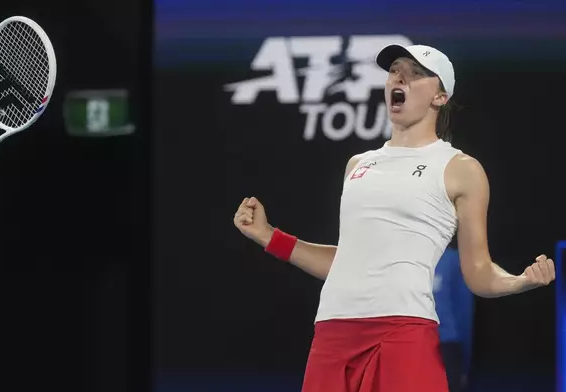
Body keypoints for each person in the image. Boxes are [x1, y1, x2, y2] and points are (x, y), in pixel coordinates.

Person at [232, 44, 556, 392]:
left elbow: (478, 273)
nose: (399, 77)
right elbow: (351, 262)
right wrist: (270, 236)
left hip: (403, 332)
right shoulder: (358, 164)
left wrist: (521, 281)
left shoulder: (460, 169)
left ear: (440, 97)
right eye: (395, 71)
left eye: (416, 73)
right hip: (332, 334)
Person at [434, 246, 474, 392]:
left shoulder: (398, 258)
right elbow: (463, 312)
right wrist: (465, 366)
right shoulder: (453, 259)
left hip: (408, 347)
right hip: (447, 348)